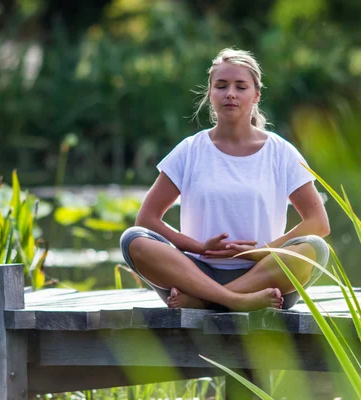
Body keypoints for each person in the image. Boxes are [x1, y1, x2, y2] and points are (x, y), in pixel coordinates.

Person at [120, 48, 330, 311]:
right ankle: (232, 301)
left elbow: (318, 223)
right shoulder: (189, 150)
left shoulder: (281, 152)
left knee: (315, 248)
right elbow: (147, 219)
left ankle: (205, 302)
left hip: (264, 278)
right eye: (221, 86)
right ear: (210, 94)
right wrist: (199, 247)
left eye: (240, 86)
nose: (230, 93)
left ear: (256, 96)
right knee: (133, 239)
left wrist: (260, 252)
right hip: (195, 275)